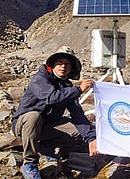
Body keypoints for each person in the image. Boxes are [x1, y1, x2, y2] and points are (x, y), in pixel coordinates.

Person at [11, 46, 98, 179]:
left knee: (76, 131)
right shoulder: (40, 77)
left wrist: (92, 138)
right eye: (60, 62)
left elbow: (77, 114)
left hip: (47, 128)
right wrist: (79, 89)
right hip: (23, 126)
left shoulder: (67, 86)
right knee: (34, 116)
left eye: (67, 63)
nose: (63, 66)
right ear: (53, 64)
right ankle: (30, 164)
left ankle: (44, 148)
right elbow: (51, 97)